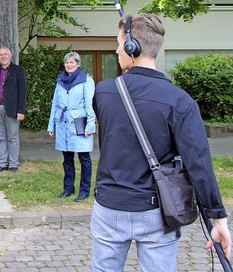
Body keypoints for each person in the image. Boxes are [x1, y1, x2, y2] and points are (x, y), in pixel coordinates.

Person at [91, 14, 231, 271]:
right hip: (157, 211)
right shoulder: (180, 101)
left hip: (109, 207)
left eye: (119, 42)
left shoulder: (104, 92)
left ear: (132, 47)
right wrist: (218, 218)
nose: (116, 49)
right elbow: (199, 163)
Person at [47, 51, 96, 202]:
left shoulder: (86, 81)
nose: (69, 65)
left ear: (78, 64)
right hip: (63, 124)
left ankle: (84, 191)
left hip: (79, 123)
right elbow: (55, 104)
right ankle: (68, 189)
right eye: (67, 63)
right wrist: (51, 125)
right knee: (67, 159)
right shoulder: (60, 81)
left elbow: (89, 104)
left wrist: (90, 126)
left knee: (84, 159)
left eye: (72, 62)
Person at [0, 46, 27, 172]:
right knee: (0, 137)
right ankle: (2, 163)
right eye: (1, 55)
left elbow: (22, 92)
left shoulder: (18, 71)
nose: (3, 56)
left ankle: (13, 164)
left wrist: (21, 111)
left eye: (5, 54)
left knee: (13, 137)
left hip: (12, 109)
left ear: (10, 55)